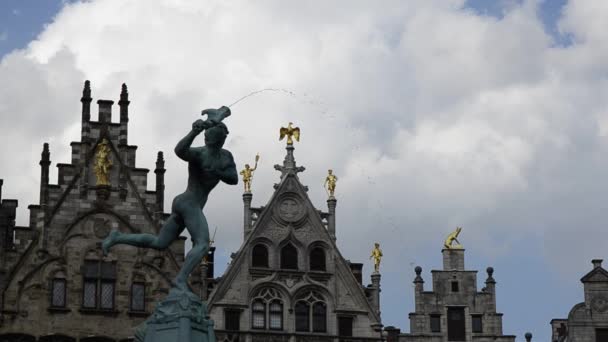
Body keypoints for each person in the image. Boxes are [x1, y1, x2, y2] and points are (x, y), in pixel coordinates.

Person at [102, 106, 238, 291]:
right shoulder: (199, 153)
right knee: (203, 244)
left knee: (160, 243)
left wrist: (217, 171)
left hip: (187, 204)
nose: (210, 138)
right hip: (188, 202)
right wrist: (193, 132)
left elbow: (234, 179)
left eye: (214, 136)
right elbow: (180, 150)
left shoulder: (225, 157)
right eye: (209, 135)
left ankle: (117, 237)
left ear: (220, 139)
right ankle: (181, 279)